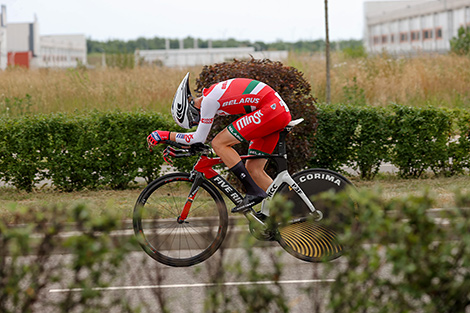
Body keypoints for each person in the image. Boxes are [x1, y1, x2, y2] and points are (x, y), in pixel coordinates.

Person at [147, 73, 292, 214]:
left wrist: (163, 135)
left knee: (219, 143)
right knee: (254, 170)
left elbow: (198, 138)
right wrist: (180, 147)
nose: (197, 122)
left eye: (194, 121)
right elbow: (198, 140)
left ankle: (253, 191)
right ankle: (290, 210)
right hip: (274, 111)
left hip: (270, 110)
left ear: (190, 111)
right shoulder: (212, 96)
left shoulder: (209, 101)